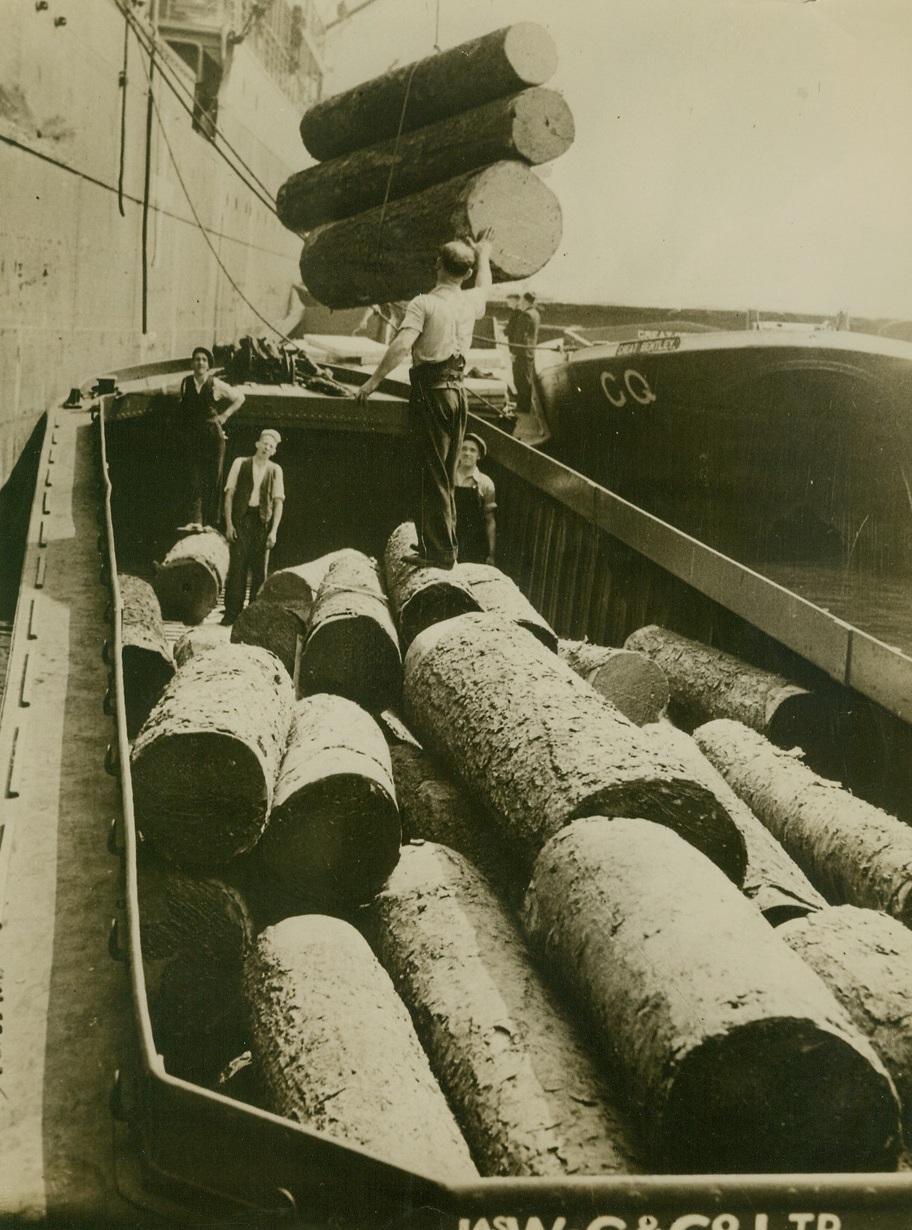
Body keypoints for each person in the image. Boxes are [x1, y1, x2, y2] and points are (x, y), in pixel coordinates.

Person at [354, 230, 493, 569]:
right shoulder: (470, 302)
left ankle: (440, 554)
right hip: (458, 393)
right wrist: (484, 252)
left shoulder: (424, 303)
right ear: (467, 273)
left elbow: (401, 346)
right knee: (445, 471)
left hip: (431, 393)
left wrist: (372, 382)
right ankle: (442, 546)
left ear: (437, 266)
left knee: (432, 473)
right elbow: (486, 287)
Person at [177, 346, 245, 531]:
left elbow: (240, 397)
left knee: (213, 477)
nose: (200, 362)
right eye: (197, 359)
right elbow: (163, 390)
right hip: (193, 435)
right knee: (193, 477)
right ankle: (195, 521)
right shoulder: (184, 383)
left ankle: (210, 523)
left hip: (212, 436)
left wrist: (224, 416)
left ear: (208, 365)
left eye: (204, 360)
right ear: (192, 363)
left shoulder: (215, 384)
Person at [221, 428, 285, 624]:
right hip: (242, 519)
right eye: (265, 443)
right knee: (237, 568)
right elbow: (229, 495)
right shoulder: (240, 463)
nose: (267, 447)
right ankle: (232, 613)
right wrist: (229, 524)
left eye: (271, 446)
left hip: (262, 523)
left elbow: (278, 502)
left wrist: (273, 531)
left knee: (260, 571)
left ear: (274, 451)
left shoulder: (276, 470)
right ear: (257, 444)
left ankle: (252, 615)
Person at [454, 432, 496, 565]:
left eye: (472, 450)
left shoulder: (485, 483)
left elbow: (489, 520)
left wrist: (491, 554)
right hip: (447, 541)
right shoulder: (447, 477)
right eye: (464, 448)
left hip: (473, 547)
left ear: (479, 455)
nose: (467, 453)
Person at [508, 291, 541, 416]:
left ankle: (523, 407)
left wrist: (514, 353)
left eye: (522, 300)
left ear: (526, 301)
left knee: (520, 380)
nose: (520, 302)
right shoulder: (536, 314)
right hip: (529, 352)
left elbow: (520, 336)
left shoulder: (525, 315)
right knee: (527, 379)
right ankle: (526, 405)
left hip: (521, 353)